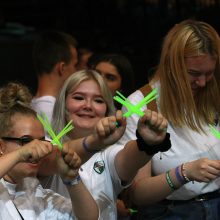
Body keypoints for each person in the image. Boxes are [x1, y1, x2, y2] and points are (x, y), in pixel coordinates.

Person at [118, 19, 220, 219]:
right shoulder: (141, 105)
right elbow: (137, 193)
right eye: (193, 73)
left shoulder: (211, 96)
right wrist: (183, 173)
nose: (202, 82)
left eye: (209, 73)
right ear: (171, 64)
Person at [38, 69, 171, 219]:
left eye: (98, 100)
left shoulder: (108, 153)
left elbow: (128, 158)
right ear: (63, 104)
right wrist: (94, 142)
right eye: (79, 97)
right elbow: (54, 159)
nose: (88, 105)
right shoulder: (47, 144)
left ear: (106, 109)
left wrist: (147, 142)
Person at [0, 82, 100, 220]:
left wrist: (72, 179)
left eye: (41, 141)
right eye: (26, 141)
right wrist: (19, 154)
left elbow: (89, 218)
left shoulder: (35, 192)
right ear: (1, 146)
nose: (36, 149)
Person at [31, 30, 78, 122]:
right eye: (75, 65)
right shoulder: (53, 113)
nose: (77, 71)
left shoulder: (29, 106)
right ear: (62, 68)